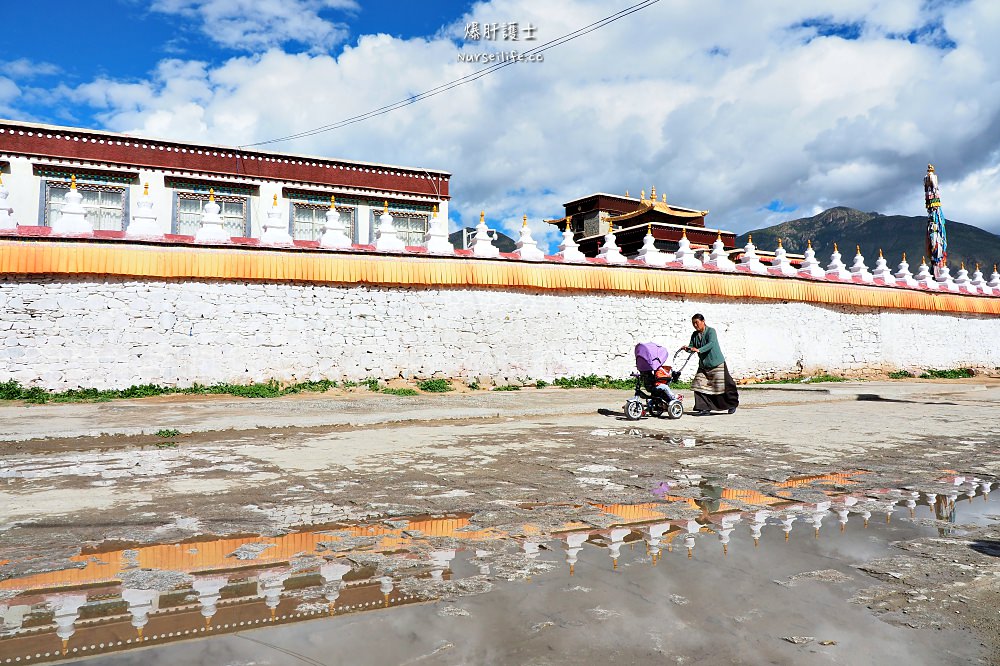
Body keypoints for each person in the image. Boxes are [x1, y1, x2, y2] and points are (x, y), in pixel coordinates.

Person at [684, 314, 739, 415]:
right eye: (693, 323)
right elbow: (692, 346)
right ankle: (704, 408)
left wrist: (699, 350)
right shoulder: (694, 335)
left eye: (697, 322)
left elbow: (711, 344)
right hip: (704, 365)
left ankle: (731, 404)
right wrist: (687, 349)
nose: (695, 325)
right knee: (699, 384)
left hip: (716, 363)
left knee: (725, 385)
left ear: (703, 321)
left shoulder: (711, 331)